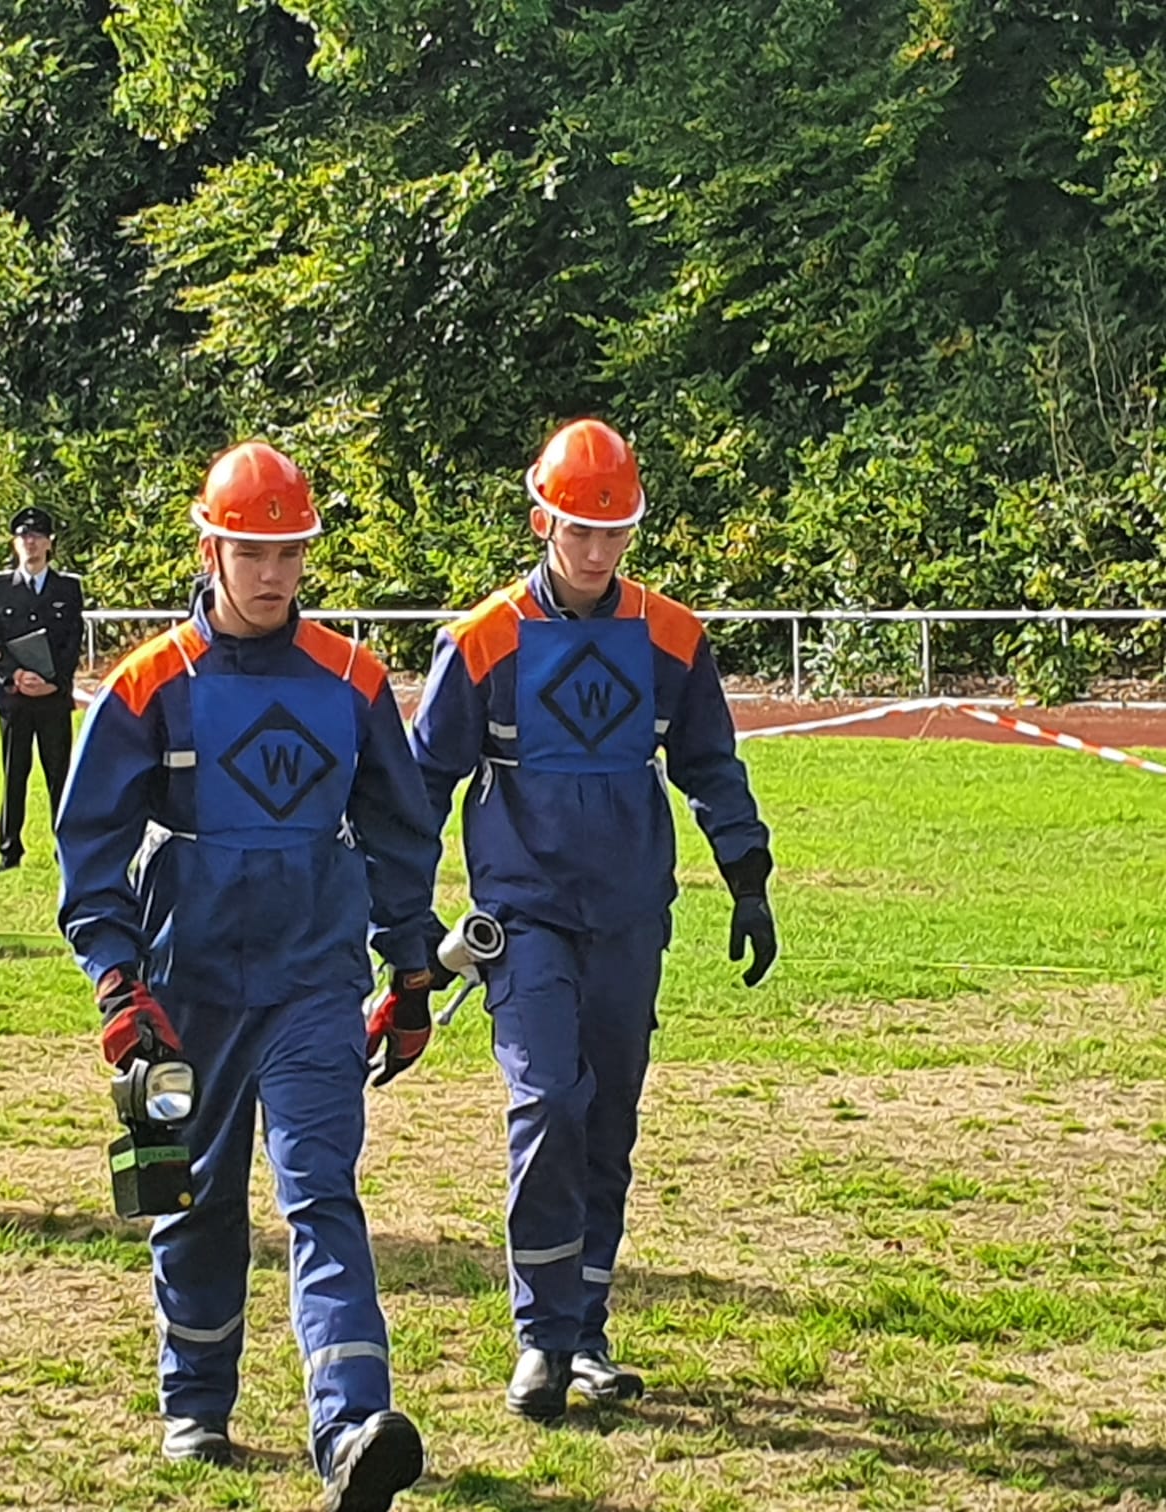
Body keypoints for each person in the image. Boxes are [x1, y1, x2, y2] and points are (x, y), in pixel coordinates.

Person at [56, 442, 439, 1511]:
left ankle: (353, 1423)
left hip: (315, 985)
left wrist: (409, 970)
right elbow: (89, 847)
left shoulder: (355, 681)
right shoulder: (145, 685)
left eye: (290, 553)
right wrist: (115, 980)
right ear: (210, 547)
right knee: (186, 1194)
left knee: (322, 1194)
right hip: (180, 989)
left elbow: (401, 833)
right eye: (251, 551)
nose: (272, 573)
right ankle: (195, 1402)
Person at [408, 419, 778, 1422]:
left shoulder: (673, 639)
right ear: (542, 522)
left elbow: (708, 762)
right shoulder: (480, 643)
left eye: (615, 533)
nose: (598, 551)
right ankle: (541, 1338)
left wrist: (746, 872)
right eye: (580, 530)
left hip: (628, 917)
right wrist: (400, 920)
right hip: (524, 919)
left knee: (608, 1118)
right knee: (548, 1108)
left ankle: (586, 1332)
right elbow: (418, 788)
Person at [0, 505, 85, 869]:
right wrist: (15, 676)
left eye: (37, 537)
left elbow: (73, 641)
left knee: (59, 774)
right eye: (24, 537)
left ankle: (65, 846)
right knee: (14, 773)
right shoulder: (0, 586)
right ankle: (9, 851)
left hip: (52, 698)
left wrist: (53, 681)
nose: (31, 544)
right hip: (14, 698)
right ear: (15, 543)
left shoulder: (67, 588)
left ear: (50, 543)